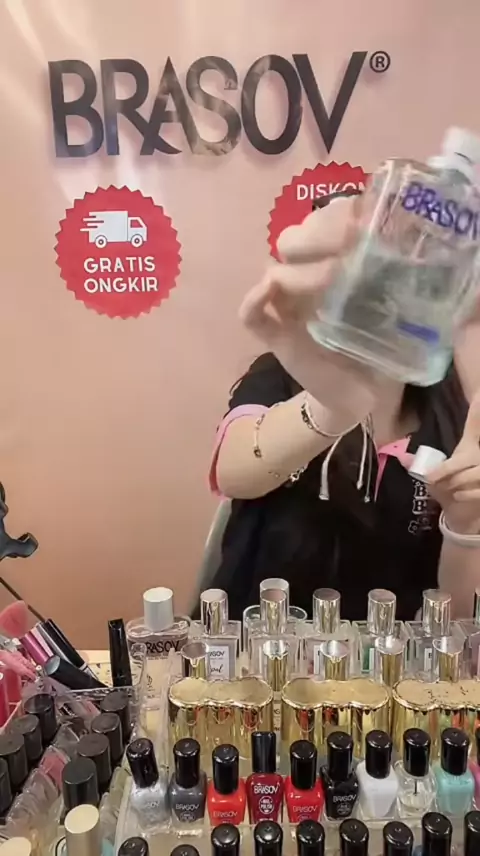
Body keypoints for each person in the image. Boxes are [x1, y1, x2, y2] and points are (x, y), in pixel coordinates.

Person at [207, 194, 480, 622]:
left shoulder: (453, 415)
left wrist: (464, 525)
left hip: (394, 654)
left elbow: (458, 616)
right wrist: (332, 406)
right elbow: (235, 471)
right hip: (264, 645)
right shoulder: (278, 375)